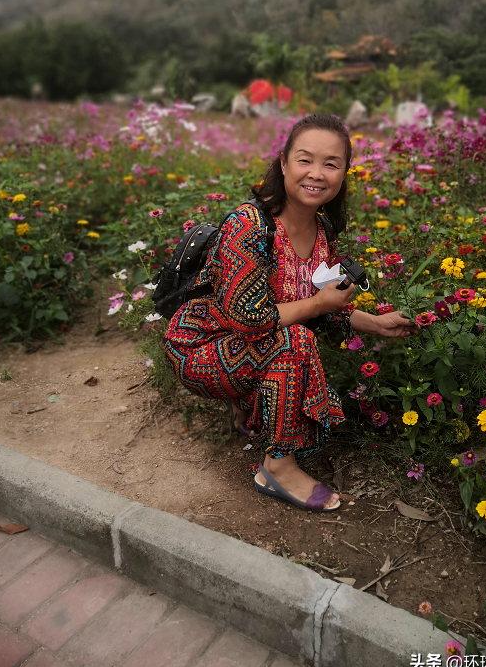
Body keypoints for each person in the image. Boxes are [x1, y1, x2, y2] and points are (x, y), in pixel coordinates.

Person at [164, 114, 417, 511]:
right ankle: (276, 466)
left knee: (295, 334)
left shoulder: (322, 232)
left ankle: (247, 407)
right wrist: (319, 303)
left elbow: (314, 309)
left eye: (331, 164)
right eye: (305, 160)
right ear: (283, 163)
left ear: (344, 173)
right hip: (199, 347)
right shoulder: (248, 226)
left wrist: (376, 323)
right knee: (293, 341)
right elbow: (249, 318)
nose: (317, 174)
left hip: (246, 347)